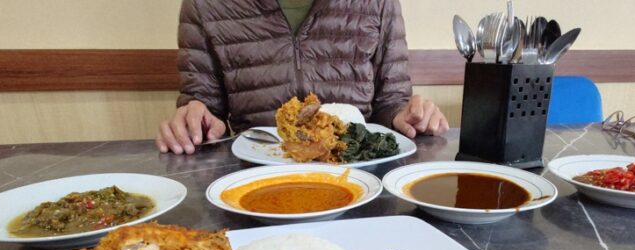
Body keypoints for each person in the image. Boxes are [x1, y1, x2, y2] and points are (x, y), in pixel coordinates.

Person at [156, 0, 449, 155]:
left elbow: (391, 102)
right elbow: (203, 105)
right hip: (255, 173)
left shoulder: (379, 3)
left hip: (359, 174)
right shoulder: (204, 5)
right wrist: (197, 121)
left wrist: (405, 116)